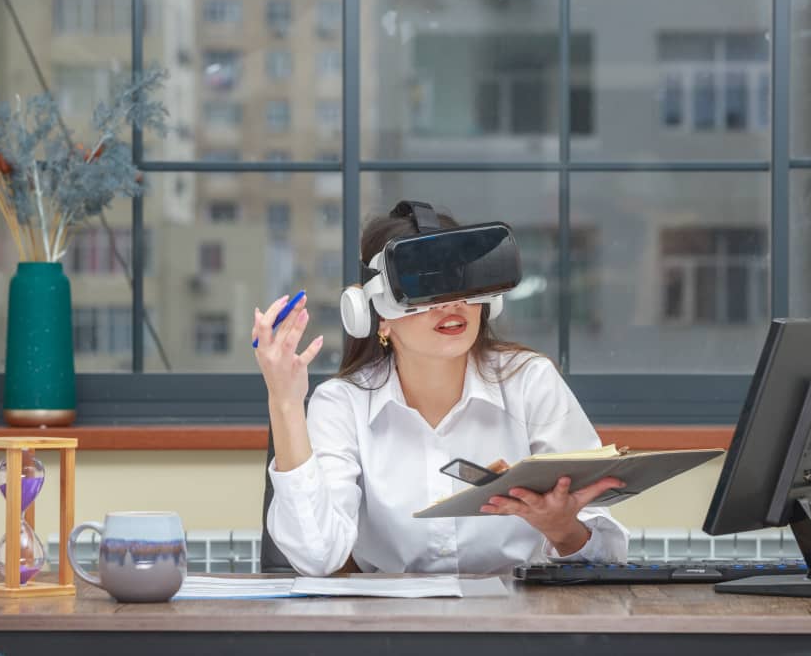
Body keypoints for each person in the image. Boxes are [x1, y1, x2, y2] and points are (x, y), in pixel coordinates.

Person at [254, 204, 630, 576]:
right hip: (385, 626)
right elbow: (318, 557)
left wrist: (564, 530)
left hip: (517, 622)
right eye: (426, 286)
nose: (452, 303)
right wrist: (285, 401)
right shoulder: (342, 403)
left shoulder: (531, 382)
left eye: (461, 281)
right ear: (376, 315)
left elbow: (609, 557)